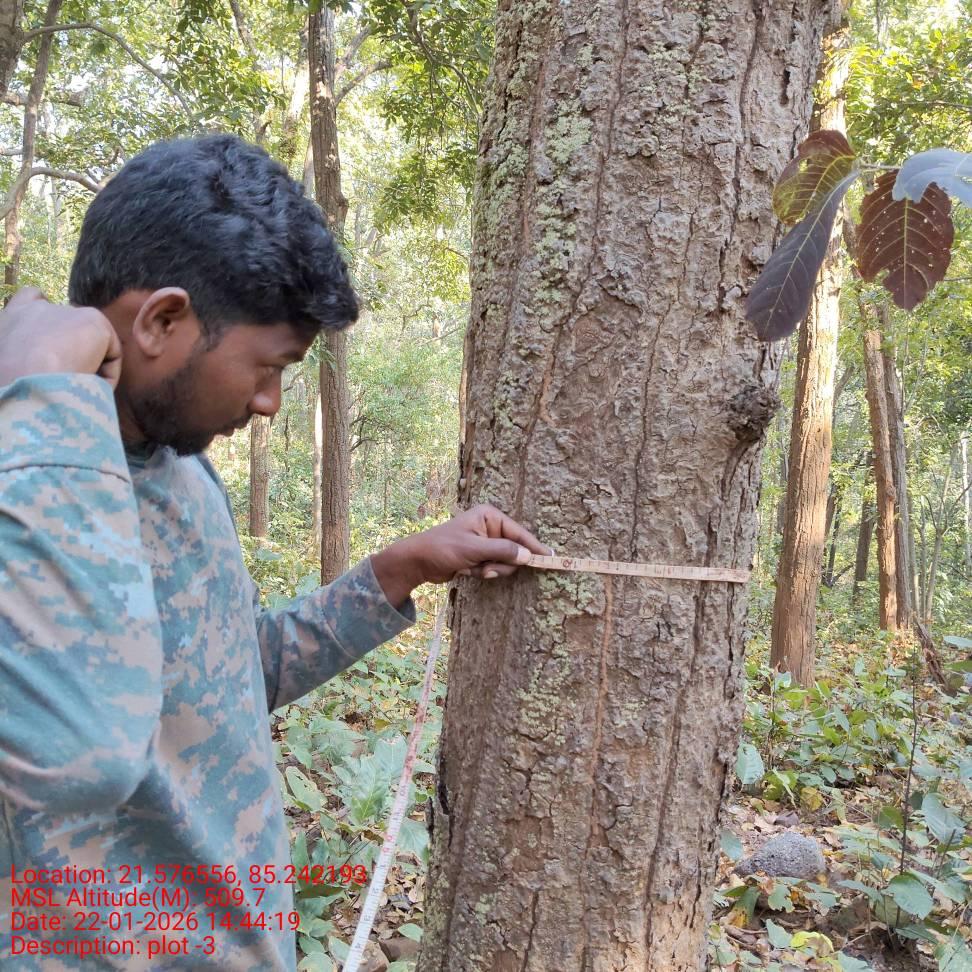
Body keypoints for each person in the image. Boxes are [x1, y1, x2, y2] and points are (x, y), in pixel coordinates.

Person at [0, 134, 548, 970]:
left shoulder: (181, 468)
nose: (269, 403)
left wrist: (398, 569)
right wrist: (40, 402)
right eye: (267, 366)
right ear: (162, 321)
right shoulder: (26, 481)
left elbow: (224, 679)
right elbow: (79, 755)